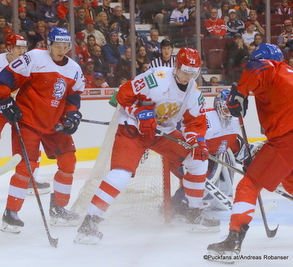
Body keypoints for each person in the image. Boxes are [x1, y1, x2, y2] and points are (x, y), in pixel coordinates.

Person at [73, 47, 221, 245]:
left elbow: (194, 123)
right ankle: (90, 223)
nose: (188, 76)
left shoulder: (194, 92)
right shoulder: (156, 78)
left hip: (162, 131)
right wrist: (138, 112)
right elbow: (122, 95)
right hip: (133, 129)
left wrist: (197, 141)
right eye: (185, 71)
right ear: (177, 66)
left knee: (197, 158)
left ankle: (193, 211)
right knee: (121, 175)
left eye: (193, 73)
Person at [206, 43, 293, 263]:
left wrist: (240, 92)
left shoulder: (270, 68)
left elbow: (258, 67)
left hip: (288, 139)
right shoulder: (288, 75)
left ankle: (233, 239)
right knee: (291, 182)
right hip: (286, 141)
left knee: (248, 185)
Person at [0, 26, 85, 234]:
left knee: (68, 161)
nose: (62, 50)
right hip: (29, 121)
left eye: (66, 46)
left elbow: (73, 98)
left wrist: (72, 114)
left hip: (55, 125)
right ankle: (11, 214)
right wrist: (6, 102)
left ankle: (59, 208)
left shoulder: (74, 69)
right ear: (49, 45)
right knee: (27, 168)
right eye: (58, 46)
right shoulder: (33, 58)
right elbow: (2, 81)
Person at [0, 34, 50, 195]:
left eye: (24, 48)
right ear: (9, 48)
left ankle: (30, 178)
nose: (22, 51)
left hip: (21, 110)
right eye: (18, 47)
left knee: (30, 142)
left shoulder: (28, 62)